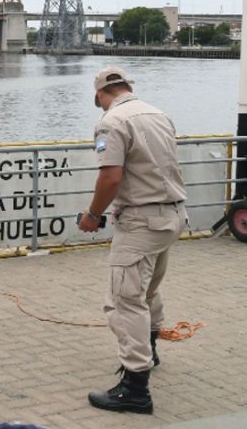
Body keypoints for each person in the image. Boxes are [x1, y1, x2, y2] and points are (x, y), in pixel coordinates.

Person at [79, 66, 186, 415]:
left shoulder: (111, 122)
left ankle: (135, 387)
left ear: (99, 95)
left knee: (124, 301)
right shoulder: (159, 114)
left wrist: (93, 215)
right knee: (148, 290)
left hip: (141, 222)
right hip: (171, 215)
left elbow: (111, 176)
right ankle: (150, 351)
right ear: (127, 86)